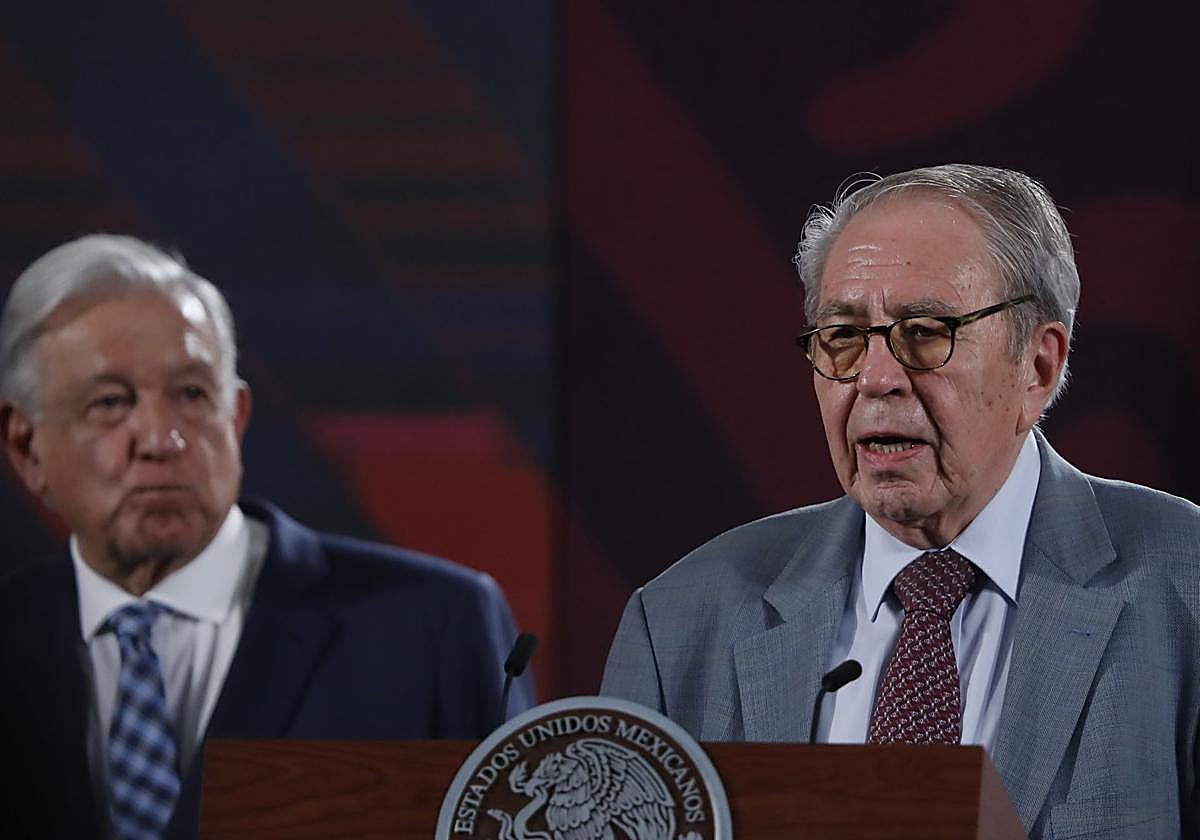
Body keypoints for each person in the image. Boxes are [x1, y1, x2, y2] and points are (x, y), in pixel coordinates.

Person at [600, 164, 1199, 838]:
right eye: (844, 336)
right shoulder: (680, 622)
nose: (876, 378)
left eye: (925, 331)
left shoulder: (1185, 585)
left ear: (1039, 366)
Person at [0, 234, 534, 839]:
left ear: (237, 418)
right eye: (110, 402)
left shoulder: (433, 627)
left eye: (193, 395)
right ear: (26, 447)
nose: (161, 438)